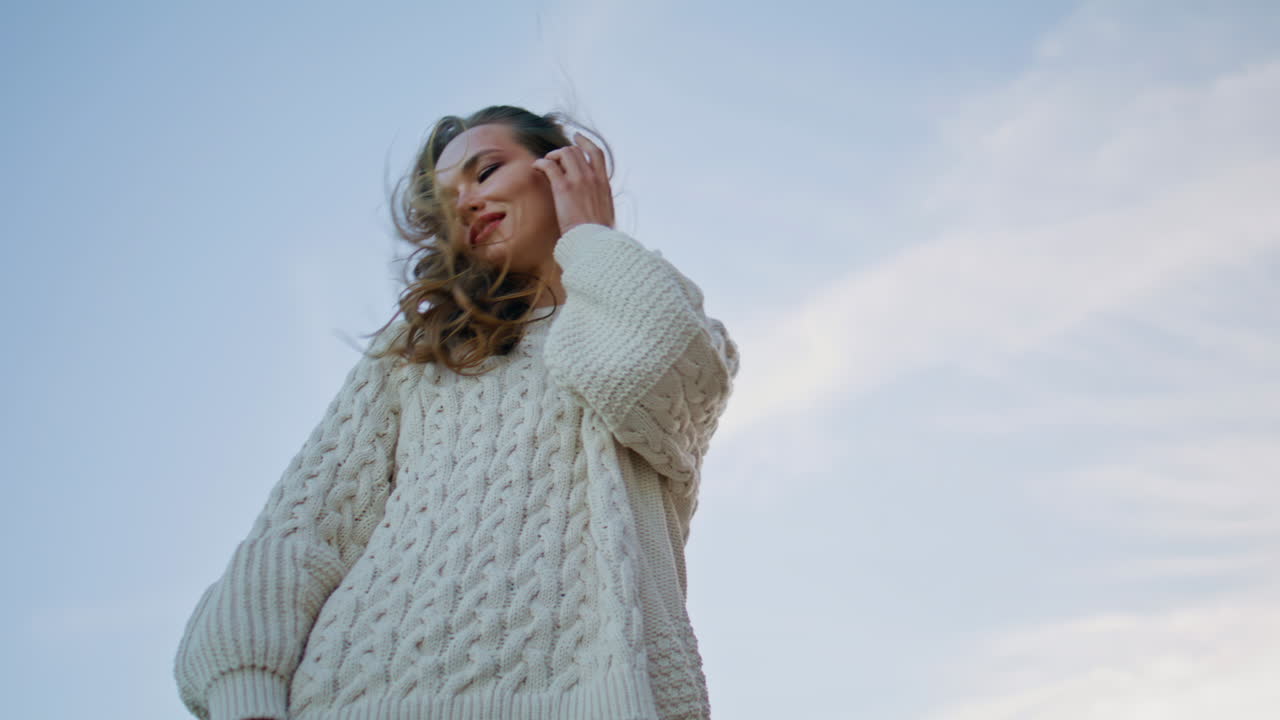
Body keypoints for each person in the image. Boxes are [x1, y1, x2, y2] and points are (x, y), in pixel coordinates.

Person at [173, 105, 740, 720]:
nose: (466, 202)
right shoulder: (419, 353)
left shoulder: (662, 311)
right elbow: (303, 526)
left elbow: (635, 373)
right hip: (358, 698)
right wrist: (246, 694)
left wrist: (588, 235)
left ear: (562, 167)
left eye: (486, 171)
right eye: (447, 203)